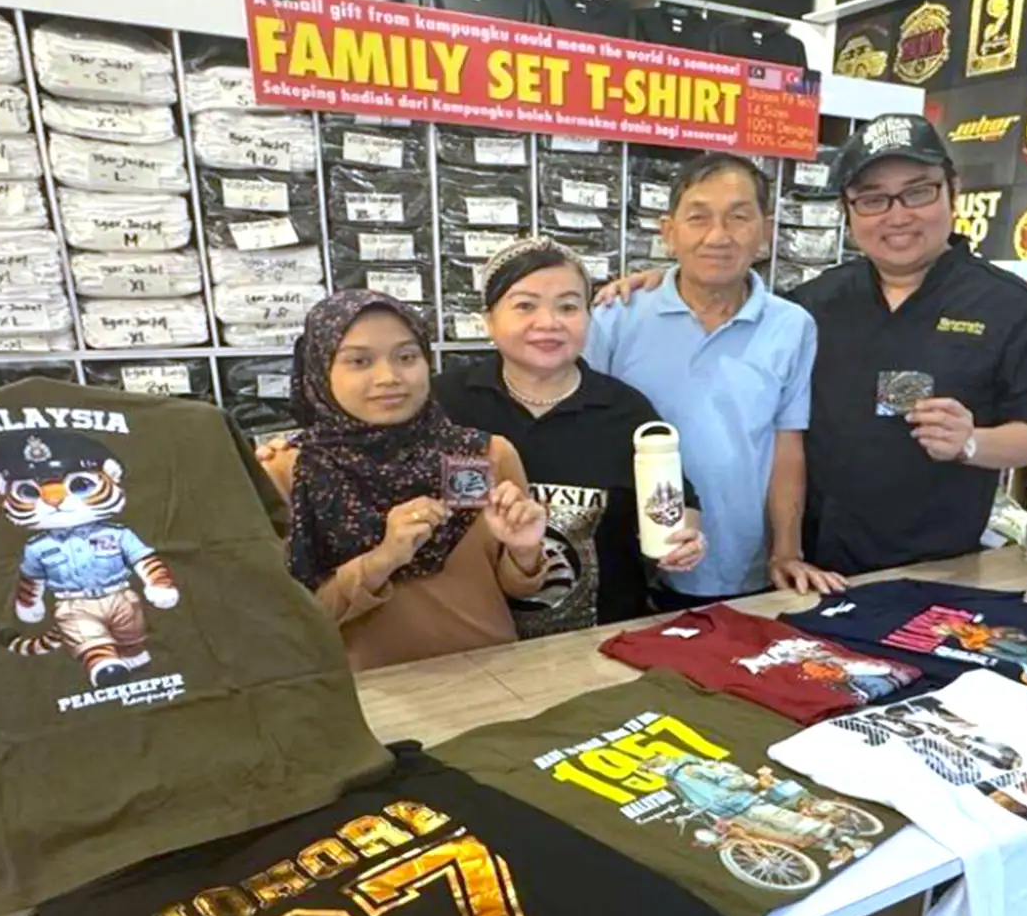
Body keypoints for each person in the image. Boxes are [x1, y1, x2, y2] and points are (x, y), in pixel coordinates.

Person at [597, 115, 1027, 575]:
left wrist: (971, 442)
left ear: (952, 191)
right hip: (811, 565)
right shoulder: (815, 304)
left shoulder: (1015, 308)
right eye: (873, 200)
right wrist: (667, 279)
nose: (897, 216)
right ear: (848, 212)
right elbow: (730, 296)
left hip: (936, 566)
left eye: (917, 192)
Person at [586, 152, 847, 608]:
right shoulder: (617, 317)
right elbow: (586, 431)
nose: (718, 236)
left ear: (766, 231)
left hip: (744, 564)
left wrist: (786, 551)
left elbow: (786, 445)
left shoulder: (792, 326)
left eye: (739, 217)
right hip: (636, 567)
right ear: (669, 232)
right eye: (698, 218)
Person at [431, 236, 708, 637]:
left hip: (602, 637)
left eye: (568, 306)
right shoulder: (446, 404)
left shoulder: (624, 410)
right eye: (525, 306)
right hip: (474, 638)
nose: (548, 323)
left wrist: (684, 538)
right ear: (488, 320)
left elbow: (680, 503)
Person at [267, 289, 550, 671]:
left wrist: (524, 552)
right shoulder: (290, 471)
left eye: (406, 357)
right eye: (359, 361)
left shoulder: (482, 454)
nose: (389, 377)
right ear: (318, 370)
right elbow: (291, 619)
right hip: (369, 690)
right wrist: (383, 559)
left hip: (493, 676)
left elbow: (517, 588)